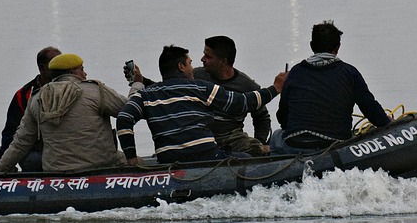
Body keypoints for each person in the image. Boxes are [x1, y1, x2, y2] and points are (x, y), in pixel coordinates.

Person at [117, 45, 286, 164]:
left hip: (167, 159)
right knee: (248, 159)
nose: (194, 67)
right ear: (181, 66)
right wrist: (275, 88)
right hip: (206, 156)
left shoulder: (146, 94)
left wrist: (132, 158)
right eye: (190, 63)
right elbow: (241, 103)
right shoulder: (200, 87)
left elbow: (124, 118)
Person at [0, 53, 129, 173]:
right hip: (102, 165)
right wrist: (137, 85)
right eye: (82, 69)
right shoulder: (97, 91)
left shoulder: (36, 99)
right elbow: (130, 110)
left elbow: (20, 143)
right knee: (135, 161)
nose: (85, 74)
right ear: (73, 72)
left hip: (56, 171)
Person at [273, 20, 391, 152]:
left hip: (295, 144)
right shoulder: (350, 73)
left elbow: (283, 118)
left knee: (276, 136)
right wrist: (389, 123)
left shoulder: (295, 72)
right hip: (335, 145)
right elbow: (371, 109)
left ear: (312, 46)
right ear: (338, 47)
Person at [193, 35, 272, 156]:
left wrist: (260, 141)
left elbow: (262, 118)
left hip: (232, 139)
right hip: (202, 137)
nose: (202, 59)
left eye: (208, 56)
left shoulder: (247, 86)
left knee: (255, 148)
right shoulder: (195, 76)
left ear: (223, 61)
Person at [0, 46, 60, 172]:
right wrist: (5, 166)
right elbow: (10, 132)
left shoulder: (70, 90)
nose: (60, 68)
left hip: (63, 150)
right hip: (36, 151)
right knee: (32, 161)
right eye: (55, 65)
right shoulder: (23, 95)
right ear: (42, 68)